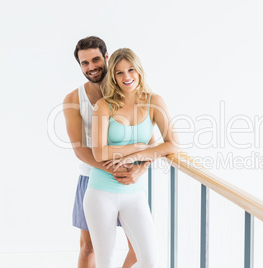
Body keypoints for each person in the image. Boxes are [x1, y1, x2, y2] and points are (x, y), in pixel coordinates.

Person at [83, 48, 179, 267]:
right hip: (101, 193)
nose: (126, 77)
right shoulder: (104, 106)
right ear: (113, 78)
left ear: (139, 71)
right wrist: (137, 146)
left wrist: (142, 163)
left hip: (134, 192)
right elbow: (99, 152)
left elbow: (172, 143)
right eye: (119, 73)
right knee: (105, 261)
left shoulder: (154, 101)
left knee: (151, 261)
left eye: (131, 70)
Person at [64, 36, 150, 268]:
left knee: (138, 249)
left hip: (131, 179)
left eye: (95, 60)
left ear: (106, 57)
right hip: (92, 177)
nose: (91, 67)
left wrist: (140, 170)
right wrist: (113, 170)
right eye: (84, 63)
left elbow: (149, 141)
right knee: (89, 247)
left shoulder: (129, 89)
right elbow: (80, 150)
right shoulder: (73, 99)